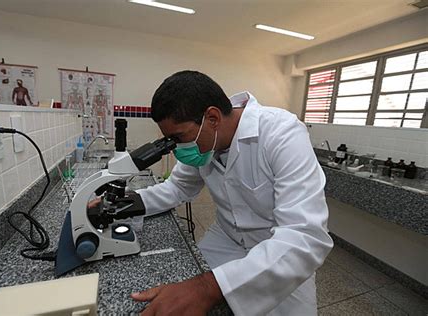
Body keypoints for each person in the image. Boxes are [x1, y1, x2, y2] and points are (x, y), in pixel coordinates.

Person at [131, 71, 333, 315]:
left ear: (213, 117)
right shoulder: (203, 141)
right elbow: (178, 186)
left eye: (179, 137)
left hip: (278, 250)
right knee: (177, 297)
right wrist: (132, 202)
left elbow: (305, 235)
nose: (177, 149)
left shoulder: (281, 132)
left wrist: (206, 288)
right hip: (225, 238)